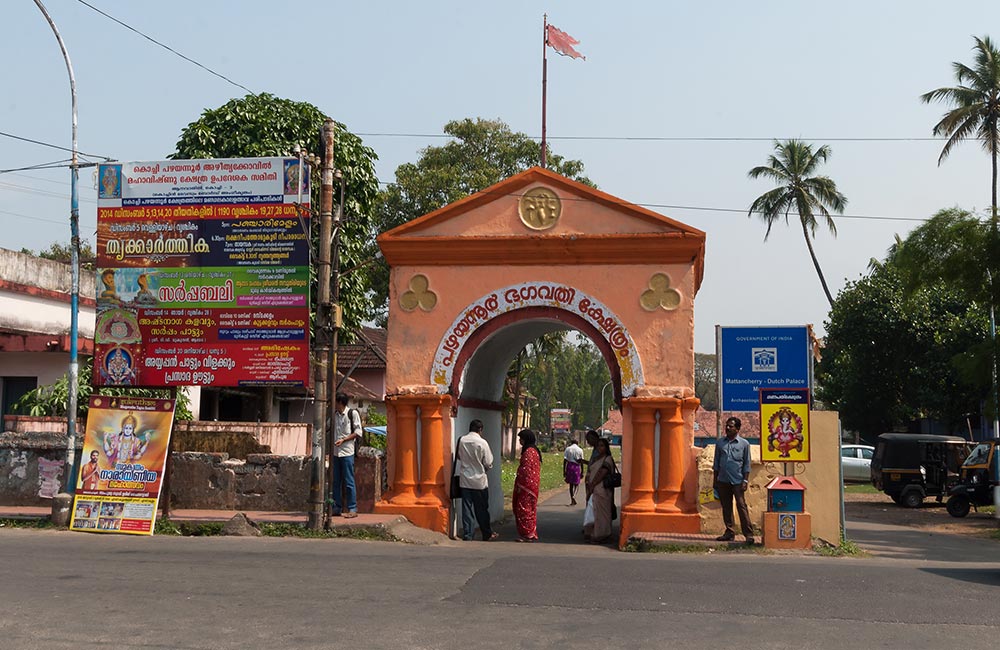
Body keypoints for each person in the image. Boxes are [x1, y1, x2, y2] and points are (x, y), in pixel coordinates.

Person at [713, 416, 755, 545]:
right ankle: (729, 532)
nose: (727, 428)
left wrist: (745, 481)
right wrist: (715, 481)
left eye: (731, 426)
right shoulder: (720, 443)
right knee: (726, 507)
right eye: (727, 425)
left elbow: (747, 464)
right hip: (723, 480)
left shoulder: (744, 444)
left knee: (741, 506)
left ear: (737, 429)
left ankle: (748, 534)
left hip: (738, 480)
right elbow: (716, 463)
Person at [457, 419, 497, 541]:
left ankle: (468, 534)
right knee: (482, 509)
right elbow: (489, 462)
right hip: (479, 481)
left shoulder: (462, 440)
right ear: (480, 430)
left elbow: (459, 456)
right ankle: (486, 533)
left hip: (465, 480)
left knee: (466, 509)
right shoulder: (482, 442)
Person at [331, 392, 362, 518]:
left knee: (349, 481)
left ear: (340, 402)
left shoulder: (352, 414)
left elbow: (358, 432)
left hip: (347, 452)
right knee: (336, 481)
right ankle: (336, 507)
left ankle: (352, 508)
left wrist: (344, 440)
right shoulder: (334, 415)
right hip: (336, 452)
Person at [584, 437, 615, 544]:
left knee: (602, 513)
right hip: (594, 489)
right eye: (598, 446)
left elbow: (602, 473)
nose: (599, 448)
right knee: (593, 511)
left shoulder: (608, 459)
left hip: (602, 489)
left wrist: (593, 485)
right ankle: (593, 532)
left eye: (602, 446)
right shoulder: (596, 459)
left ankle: (602, 534)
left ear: (606, 447)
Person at [513, 429, 542, 542]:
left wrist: (520, 486)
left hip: (526, 486)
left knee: (524, 509)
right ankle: (529, 532)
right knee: (529, 509)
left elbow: (526, 471)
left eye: (521, 439)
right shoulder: (533, 450)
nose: (520, 441)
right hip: (531, 485)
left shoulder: (529, 452)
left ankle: (527, 534)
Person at [580, 429, 601, 501]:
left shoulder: (599, 450)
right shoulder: (595, 449)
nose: (588, 442)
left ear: (594, 438)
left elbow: (598, 465)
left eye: (589, 440)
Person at [563, 438, 584, 505]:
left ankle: (572, 498)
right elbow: (581, 461)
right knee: (577, 483)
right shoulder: (580, 450)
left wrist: (564, 470)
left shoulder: (568, 449)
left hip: (569, 466)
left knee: (571, 484)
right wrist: (582, 471)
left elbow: (565, 460)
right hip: (576, 467)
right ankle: (574, 496)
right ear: (577, 443)